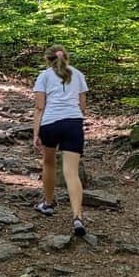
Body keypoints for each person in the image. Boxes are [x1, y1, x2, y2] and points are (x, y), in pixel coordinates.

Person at [32, 44, 89, 236]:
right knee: (71, 172)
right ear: (67, 57)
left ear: (47, 59)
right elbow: (82, 107)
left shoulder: (44, 76)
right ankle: (77, 217)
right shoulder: (78, 75)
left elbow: (40, 107)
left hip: (50, 124)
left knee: (49, 163)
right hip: (73, 123)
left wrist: (36, 133)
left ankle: (48, 204)